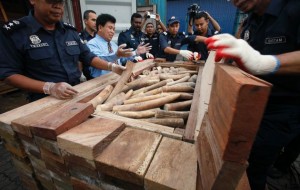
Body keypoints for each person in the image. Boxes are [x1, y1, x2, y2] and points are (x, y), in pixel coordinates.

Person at [205, 0, 300, 189]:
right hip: (249, 102)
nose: (235, 2)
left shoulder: (294, 8)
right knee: (238, 157)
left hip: (282, 109)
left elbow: (258, 61)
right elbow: (240, 53)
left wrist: (265, 63)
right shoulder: (250, 21)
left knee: (254, 166)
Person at [0, 0, 127, 102]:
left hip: (76, 94)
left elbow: (87, 56)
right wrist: (49, 87)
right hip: (43, 101)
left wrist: (112, 66)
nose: (58, 6)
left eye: (61, 2)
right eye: (52, 1)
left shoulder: (69, 31)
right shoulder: (16, 33)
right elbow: (8, 74)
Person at [87, 14, 150, 78]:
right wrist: (117, 55)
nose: (112, 32)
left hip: (117, 79)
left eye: (114, 29)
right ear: (100, 27)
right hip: (100, 83)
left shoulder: (113, 45)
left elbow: (122, 59)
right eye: (110, 28)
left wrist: (135, 53)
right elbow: (99, 60)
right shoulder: (91, 44)